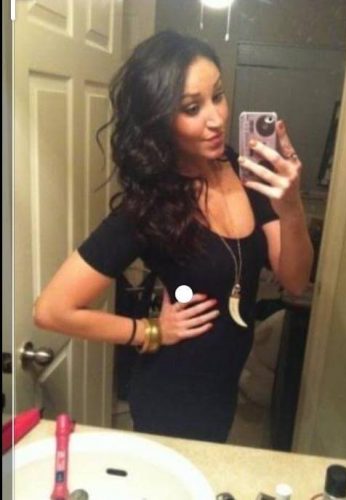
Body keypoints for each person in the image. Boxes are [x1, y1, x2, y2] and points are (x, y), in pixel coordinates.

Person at [34, 30, 314, 443]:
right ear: (159, 119)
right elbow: (51, 310)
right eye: (192, 108)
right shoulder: (148, 207)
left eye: (218, 96)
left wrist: (291, 208)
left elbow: (295, 280)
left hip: (222, 388)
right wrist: (150, 331)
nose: (216, 119)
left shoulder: (245, 171)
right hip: (172, 395)